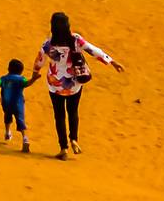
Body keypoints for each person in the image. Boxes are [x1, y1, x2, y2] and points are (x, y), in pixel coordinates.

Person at [32, 10, 123, 161]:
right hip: (74, 83)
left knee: (59, 115)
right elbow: (93, 51)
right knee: (73, 112)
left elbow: (38, 62)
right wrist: (111, 61)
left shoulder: (48, 44)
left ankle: (63, 148)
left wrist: (34, 75)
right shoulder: (75, 40)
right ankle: (74, 139)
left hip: (55, 85)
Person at [0, 58, 32, 152]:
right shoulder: (21, 79)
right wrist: (34, 78)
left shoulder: (4, 78)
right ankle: (25, 138)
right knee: (20, 120)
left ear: (8, 68)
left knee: (7, 117)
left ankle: (7, 132)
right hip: (18, 104)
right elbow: (27, 83)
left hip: (6, 104)